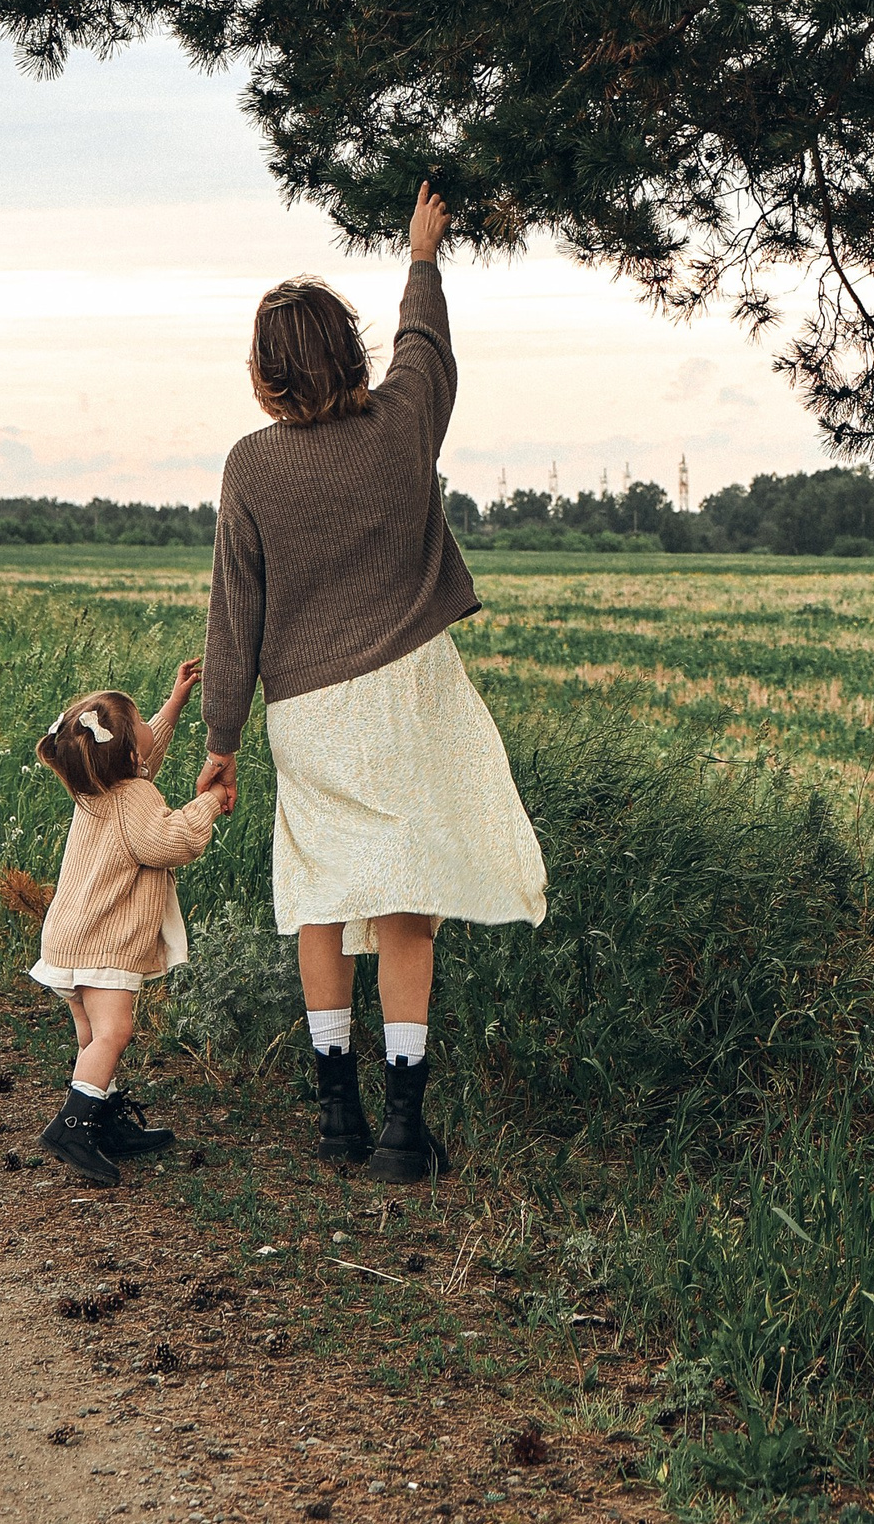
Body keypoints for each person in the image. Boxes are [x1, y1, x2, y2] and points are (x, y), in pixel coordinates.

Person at [198, 182, 545, 1182]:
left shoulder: (250, 466)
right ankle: (403, 1128)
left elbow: (235, 614)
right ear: (349, 356)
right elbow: (425, 349)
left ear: (266, 377)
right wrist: (421, 258)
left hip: (306, 711)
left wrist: (221, 741)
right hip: (406, 699)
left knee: (321, 895)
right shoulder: (400, 428)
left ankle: (335, 1116)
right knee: (404, 905)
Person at [28, 661, 218, 1185]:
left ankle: (104, 1120)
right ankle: (72, 1127)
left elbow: (141, 758)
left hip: (70, 937)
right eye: (140, 726)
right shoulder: (135, 796)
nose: (146, 732)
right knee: (115, 1031)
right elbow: (168, 842)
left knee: (92, 1036)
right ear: (128, 753)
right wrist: (207, 804)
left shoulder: (93, 784)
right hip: (105, 940)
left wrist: (174, 704)